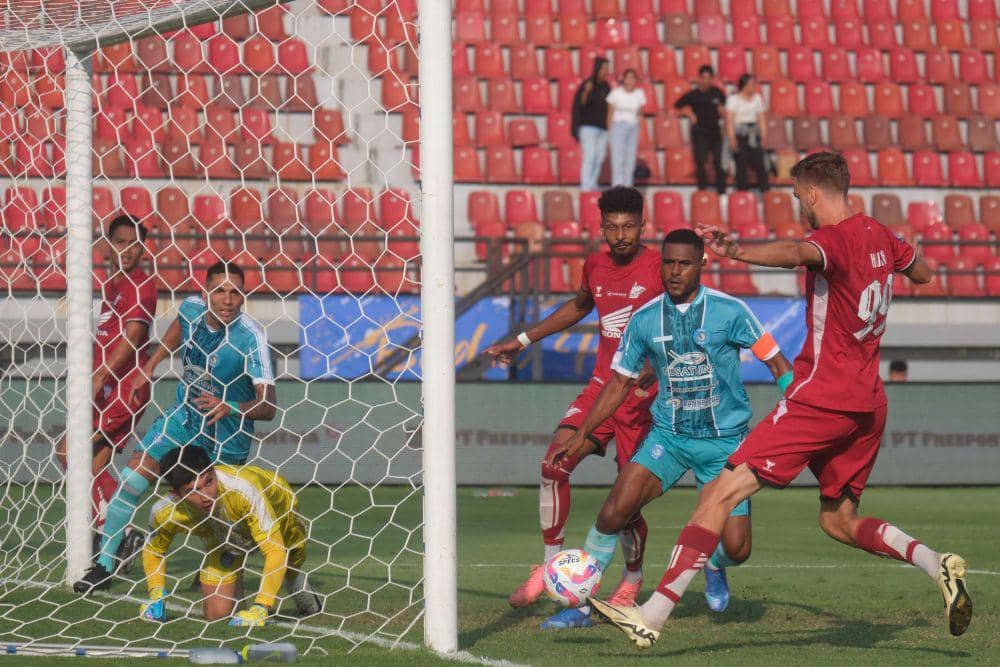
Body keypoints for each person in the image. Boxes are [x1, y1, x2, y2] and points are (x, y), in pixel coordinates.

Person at [590, 152, 972, 648]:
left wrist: (736, 251)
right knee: (838, 520)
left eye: (796, 196)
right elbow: (922, 273)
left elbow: (796, 251)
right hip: (869, 403)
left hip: (823, 397)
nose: (798, 205)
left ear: (812, 193)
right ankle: (934, 562)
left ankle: (651, 615)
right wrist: (902, 258)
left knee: (720, 493)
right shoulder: (881, 234)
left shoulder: (832, 239)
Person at [538, 228, 794, 630]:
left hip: (725, 444)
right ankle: (582, 605)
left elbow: (777, 363)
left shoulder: (731, 311)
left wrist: (795, 414)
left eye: (684, 263)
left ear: (701, 264)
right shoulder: (644, 319)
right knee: (614, 511)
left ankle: (714, 563)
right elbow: (619, 382)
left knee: (737, 548)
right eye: (669, 263)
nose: (675, 271)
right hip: (669, 439)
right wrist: (582, 433)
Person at [485, 187, 662, 621]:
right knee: (553, 466)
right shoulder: (596, 265)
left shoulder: (662, 268)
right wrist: (523, 339)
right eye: (612, 227)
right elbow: (579, 306)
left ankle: (632, 578)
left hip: (644, 398)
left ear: (643, 225)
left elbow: (686, 322)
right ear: (601, 228)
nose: (621, 235)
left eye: (629, 226)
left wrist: (657, 366)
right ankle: (549, 569)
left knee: (625, 502)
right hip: (602, 386)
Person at [74, 261, 277, 593]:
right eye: (219, 291)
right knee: (131, 478)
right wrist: (150, 365)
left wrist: (231, 406)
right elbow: (180, 326)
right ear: (205, 293)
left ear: (243, 297)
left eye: (235, 292)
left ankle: (230, 553)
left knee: (219, 514)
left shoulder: (251, 338)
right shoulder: (191, 309)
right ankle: (105, 566)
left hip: (226, 437)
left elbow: (268, 406)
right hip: (183, 418)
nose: (227, 300)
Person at [56, 214, 158, 538]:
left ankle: (118, 532)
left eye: (134, 244)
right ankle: (119, 537)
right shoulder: (114, 284)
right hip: (109, 389)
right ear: (109, 246)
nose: (127, 249)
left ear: (143, 249)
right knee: (91, 467)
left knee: (69, 451)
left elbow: (134, 336)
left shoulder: (140, 285)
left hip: (123, 389)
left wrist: (101, 375)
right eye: (120, 242)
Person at [139, 446, 320, 627]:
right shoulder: (164, 512)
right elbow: (154, 550)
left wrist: (261, 607)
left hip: (278, 508)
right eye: (193, 491)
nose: (206, 497)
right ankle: (237, 581)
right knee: (216, 614)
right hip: (221, 534)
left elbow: (275, 550)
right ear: (176, 494)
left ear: (214, 471)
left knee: (289, 559)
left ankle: (293, 578)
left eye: (208, 482)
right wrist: (157, 594)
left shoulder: (244, 489)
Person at [674, 65, 727, 193]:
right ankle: (702, 191)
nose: (706, 81)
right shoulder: (693, 94)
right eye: (703, 78)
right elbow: (677, 106)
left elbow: (725, 107)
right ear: (699, 78)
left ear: (712, 79)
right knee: (700, 161)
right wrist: (689, 114)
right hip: (699, 133)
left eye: (708, 78)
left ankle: (722, 192)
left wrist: (722, 112)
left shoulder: (717, 92)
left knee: (719, 161)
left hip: (715, 132)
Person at [572, 57, 611, 191]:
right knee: (590, 156)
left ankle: (593, 183)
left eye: (607, 68)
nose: (605, 71)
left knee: (600, 157)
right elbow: (580, 104)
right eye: (603, 68)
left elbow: (609, 107)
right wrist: (586, 92)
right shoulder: (588, 83)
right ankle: (585, 185)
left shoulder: (606, 86)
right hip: (588, 127)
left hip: (603, 128)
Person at [726, 74, 769, 192]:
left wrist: (764, 137)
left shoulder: (757, 98)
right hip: (739, 134)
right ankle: (742, 193)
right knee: (741, 164)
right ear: (744, 85)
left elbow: (761, 119)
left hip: (753, 134)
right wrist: (732, 138)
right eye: (751, 84)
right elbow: (729, 121)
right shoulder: (733, 99)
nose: (753, 86)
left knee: (760, 163)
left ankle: (765, 191)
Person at [606, 69, 647, 187]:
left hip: (633, 126)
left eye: (633, 78)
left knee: (630, 158)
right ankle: (617, 186)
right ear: (623, 79)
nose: (630, 81)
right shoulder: (616, 93)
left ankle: (628, 186)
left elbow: (641, 112)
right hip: (618, 125)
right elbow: (610, 113)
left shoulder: (639, 93)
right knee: (618, 158)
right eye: (628, 78)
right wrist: (609, 130)